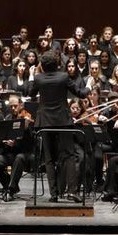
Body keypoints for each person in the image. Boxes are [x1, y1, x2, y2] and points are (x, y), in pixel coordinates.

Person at [26, 51, 86, 202]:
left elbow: (30, 94)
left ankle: (54, 194)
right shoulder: (64, 76)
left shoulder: (39, 79)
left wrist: (32, 76)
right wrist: (90, 86)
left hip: (45, 122)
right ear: (57, 63)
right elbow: (80, 93)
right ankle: (72, 191)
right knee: (69, 155)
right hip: (63, 121)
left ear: (43, 66)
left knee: (49, 159)